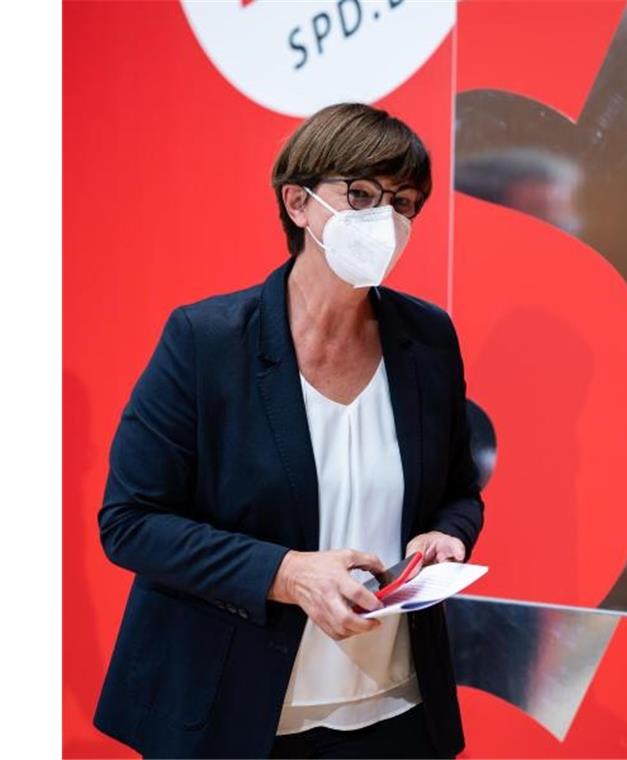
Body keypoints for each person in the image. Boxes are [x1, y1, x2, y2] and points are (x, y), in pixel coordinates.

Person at [92, 103, 485, 758]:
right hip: (236, 713)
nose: (385, 220)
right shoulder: (206, 341)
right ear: (298, 203)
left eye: (405, 203)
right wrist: (286, 572)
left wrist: (449, 535)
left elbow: (459, 490)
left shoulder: (427, 339)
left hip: (396, 709)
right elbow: (130, 520)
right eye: (361, 194)